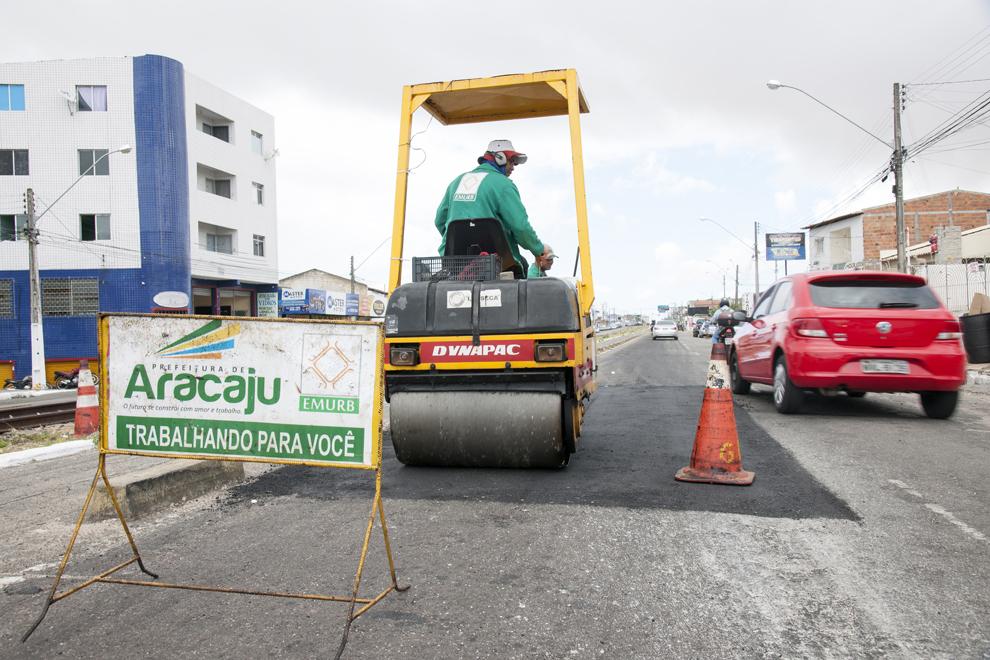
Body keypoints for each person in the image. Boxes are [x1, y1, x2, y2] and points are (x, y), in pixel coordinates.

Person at [435, 139, 552, 277]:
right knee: (523, 266)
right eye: (512, 162)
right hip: (498, 264)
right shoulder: (503, 185)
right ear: (500, 158)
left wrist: (457, 242)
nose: (513, 167)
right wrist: (538, 249)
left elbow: (439, 221)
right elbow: (521, 227)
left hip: (456, 265)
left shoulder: (456, 182)